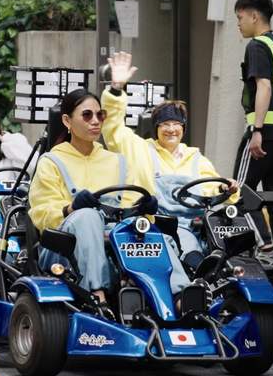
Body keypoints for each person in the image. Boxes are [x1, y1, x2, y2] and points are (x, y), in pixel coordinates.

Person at [29, 90, 189, 303]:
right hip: (63, 248)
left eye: (100, 115)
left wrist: (144, 207)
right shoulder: (51, 162)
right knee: (87, 216)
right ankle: (97, 295)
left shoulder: (117, 161)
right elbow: (42, 214)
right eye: (87, 115)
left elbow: (131, 205)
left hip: (114, 244)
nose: (95, 121)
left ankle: (180, 296)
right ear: (67, 120)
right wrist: (71, 208)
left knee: (142, 225)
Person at [101, 51, 237, 270]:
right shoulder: (140, 149)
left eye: (176, 124)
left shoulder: (197, 159)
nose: (171, 129)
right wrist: (116, 90)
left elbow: (214, 188)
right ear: (155, 129)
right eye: (164, 124)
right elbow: (113, 129)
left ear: (183, 128)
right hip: (151, 227)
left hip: (190, 229)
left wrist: (226, 188)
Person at [232, 0, 273, 256]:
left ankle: (264, 241)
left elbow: (264, 85)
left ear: (254, 16)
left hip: (265, 131)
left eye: (240, 17)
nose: (238, 24)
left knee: (238, 193)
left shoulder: (257, 45)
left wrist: (257, 129)